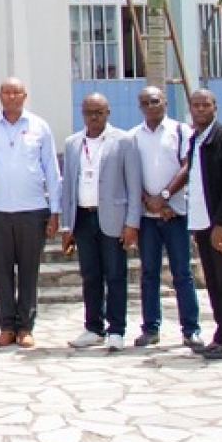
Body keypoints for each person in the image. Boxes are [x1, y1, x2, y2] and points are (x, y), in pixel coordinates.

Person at [0, 77, 62, 349]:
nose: (12, 97)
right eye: (7, 92)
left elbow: (51, 169)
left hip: (32, 209)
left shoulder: (40, 127)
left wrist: (55, 210)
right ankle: (6, 327)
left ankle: (25, 327)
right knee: (1, 272)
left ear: (25, 96)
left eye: (17, 92)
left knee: (28, 271)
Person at [168, 89, 222, 360]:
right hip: (203, 223)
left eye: (206, 105)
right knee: (214, 282)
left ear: (215, 108)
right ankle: (221, 335)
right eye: (196, 105)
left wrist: (221, 223)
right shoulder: (196, 140)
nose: (201, 109)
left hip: (221, 224)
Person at [60, 93, 142, 352]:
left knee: (115, 274)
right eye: (88, 112)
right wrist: (66, 226)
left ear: (108, 113)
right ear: (81, 113)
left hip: (113, 218)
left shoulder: (124, 141)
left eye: (99, 112)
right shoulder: (73, 143)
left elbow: (134, 184)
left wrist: (132, 223)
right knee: (90, 275)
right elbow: (67, 188)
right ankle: (93, 327)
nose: (93, 118)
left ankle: (116, 330)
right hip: (83, 217)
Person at [129, 86, 202, 349]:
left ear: (165, 103)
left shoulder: (181, 131)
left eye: (155, 101)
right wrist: (150, 201)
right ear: (140, 107)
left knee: (182, 273)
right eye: (145, 102)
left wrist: (165, 195)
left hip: (176, 213)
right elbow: (130, 174)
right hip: (147, 216)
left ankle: (191, 330)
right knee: (149, 274)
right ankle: (150, 328)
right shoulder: (133, 137)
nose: (150, 106)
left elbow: (187, 166)